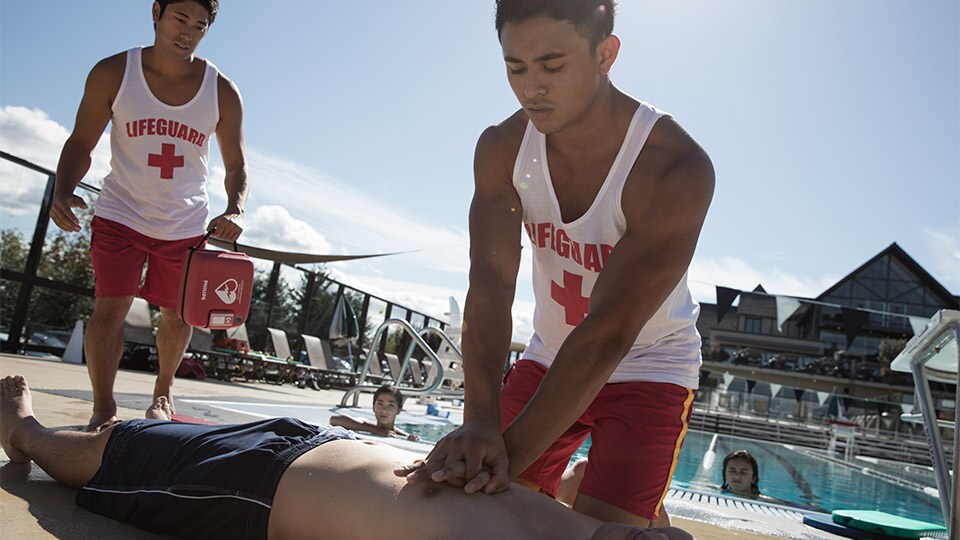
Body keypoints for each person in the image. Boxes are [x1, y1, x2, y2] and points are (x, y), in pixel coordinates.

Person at [397, 0, 714, 528]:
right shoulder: (502, 148)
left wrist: (504, 459)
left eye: (552, 65)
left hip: (648, 362)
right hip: (549, 354)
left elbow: (609, 330)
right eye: (514, 67)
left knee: (599, 532)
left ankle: (641, 518)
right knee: (476, 514)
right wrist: (479, 421)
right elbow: (492, 280)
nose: (530, 88)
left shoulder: (674, 166)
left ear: (605, 54)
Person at [0, 375, 693, 540]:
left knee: (111, 455)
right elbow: (574, 480)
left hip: (258, 486)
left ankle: (24, 432)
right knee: (132, 437)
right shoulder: (577, 526)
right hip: (321, 442)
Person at [50, 0, 248, 432]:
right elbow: (81, 142)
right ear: (156, 12)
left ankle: (163, 393)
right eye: (180, 19)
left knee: (177, 316)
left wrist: (235, 208)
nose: (188, 33)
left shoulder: (222, 91)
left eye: (199, 26)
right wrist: (63, 190)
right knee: (109, 310)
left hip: (185, 223)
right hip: (121, 212)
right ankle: (103, 408)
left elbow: (236, 166)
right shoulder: (114, 73)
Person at [330, 385, 420, 441]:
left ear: (399, 410)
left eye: (391, 405)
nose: (384, 410)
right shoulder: (365, 424)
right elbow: (334, 420)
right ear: (373, 407)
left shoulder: (403, 436)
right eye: (380, 404)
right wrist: (375, 429)